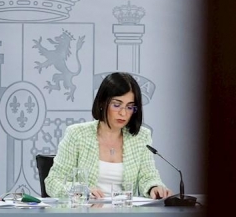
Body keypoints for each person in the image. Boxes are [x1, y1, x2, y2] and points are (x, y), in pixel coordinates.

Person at [44, 72, 173, 200]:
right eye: (117, 105)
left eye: (130, 107)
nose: (123, 113)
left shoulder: (141, 136)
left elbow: (148, 176)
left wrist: (154, 187)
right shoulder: (77, 134)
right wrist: (81, 191)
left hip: (126, 216)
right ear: (102, 103)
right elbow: (53, 182)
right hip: (86, 216)